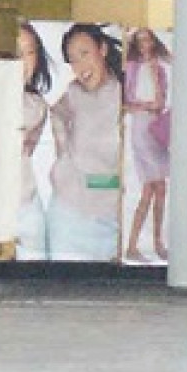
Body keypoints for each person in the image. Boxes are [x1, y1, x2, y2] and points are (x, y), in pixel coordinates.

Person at [46, 23, 125, 262]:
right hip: (70, 216)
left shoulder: (127, 95)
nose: (80, 67)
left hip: (114, 219)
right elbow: (54, 115)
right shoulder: (73, 93)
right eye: (73, 60)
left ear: (102, 49)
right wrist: (64, 159)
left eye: (84, 54)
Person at [122, 27, 172, 265]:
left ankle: (156, 243)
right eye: (140, 40)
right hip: (141, 127)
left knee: (160, 188)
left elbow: (161, 102)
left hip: (155, 128)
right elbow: (126, 103)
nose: (144, 44)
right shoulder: (131, 67)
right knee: (150, 187)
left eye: (148, 39)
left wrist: (154, 74)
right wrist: (144, 106)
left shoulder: (159, 69)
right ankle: (134, 245)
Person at [15, 22, 53, 262]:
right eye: (16, 52)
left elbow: (28, 148)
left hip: (26, 205)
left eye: (30, 52)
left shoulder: (37, 106)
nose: (23, 61)